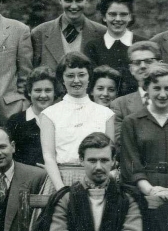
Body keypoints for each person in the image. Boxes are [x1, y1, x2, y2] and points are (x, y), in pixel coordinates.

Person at [115, 62, 168, 201]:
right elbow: (130, 164)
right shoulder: (131, 122)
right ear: (146, 89)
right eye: (156, 88)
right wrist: (151, 191)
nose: (162, 94)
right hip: (141, 195)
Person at [38, 54, 117, 188]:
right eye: (70, 76)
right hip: (61, 179)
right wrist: (60, 189)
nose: (76, 80)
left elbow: (108, 154)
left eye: (81, 75)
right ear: (62, 79)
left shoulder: (106, 114)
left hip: (97, 179)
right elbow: (48, 156)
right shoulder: (49, 114)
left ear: (89, 77)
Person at [6, 70, 57, 167]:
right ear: (29, 92)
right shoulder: (15, 121)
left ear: (54, 92)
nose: (43, 95)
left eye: (48, 90)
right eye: (38, 90)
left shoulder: (62, 119)